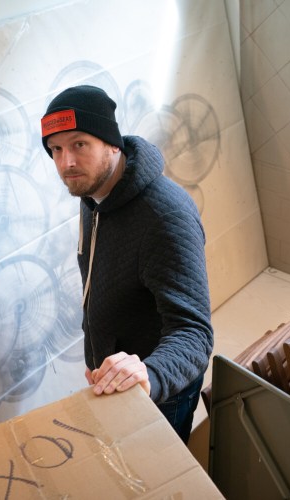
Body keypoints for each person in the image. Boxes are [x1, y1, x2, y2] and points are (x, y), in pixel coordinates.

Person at [40, 85, 213, 443]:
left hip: (159, 387)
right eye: (56, 149)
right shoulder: (93, 195)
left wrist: (148, 374)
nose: (66, 163)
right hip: (115, 376)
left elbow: (195, 333)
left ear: (112, 143)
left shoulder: (166, 216)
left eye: (79, 145)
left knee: (160, 473)